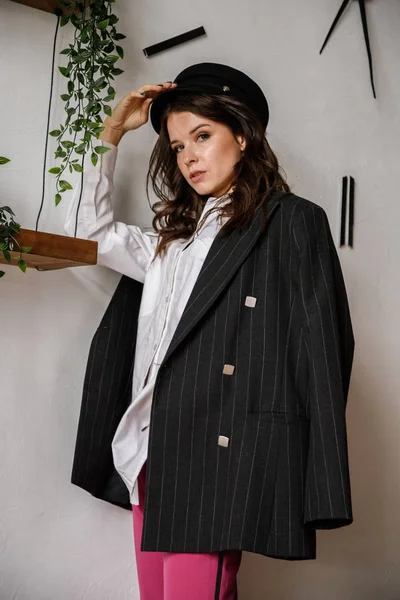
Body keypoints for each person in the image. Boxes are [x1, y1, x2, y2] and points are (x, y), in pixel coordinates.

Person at [64, 63, 355, 600]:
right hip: (150, 451)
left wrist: (318, 468)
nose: (189, 156)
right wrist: (110, 134)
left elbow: (324, 346)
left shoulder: (291, 222)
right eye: (177, 147)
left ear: (242, 136)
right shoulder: (170, 243)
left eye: (202, 136)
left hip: (219, 456)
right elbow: (90, 233)